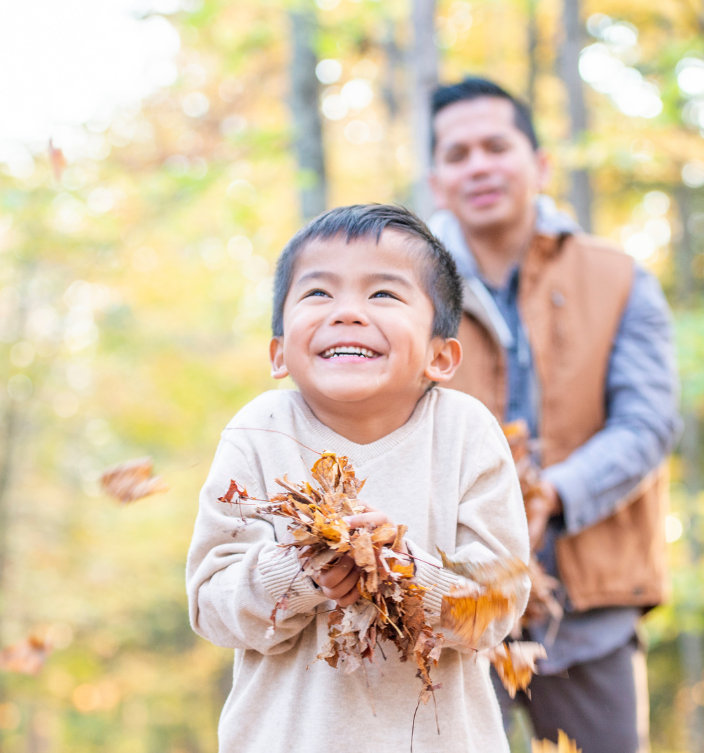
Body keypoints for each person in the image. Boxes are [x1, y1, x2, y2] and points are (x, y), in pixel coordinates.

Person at [185, 204, 531, 752]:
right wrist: (297, 573)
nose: (347, 312)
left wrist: (408, 574)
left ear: (441, 356)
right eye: (318, 293)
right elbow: (211, 604)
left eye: (384, 294)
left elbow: (496, 609)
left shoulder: (466, 433)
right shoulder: (259, 432)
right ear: (278, 353)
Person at [426, 77, 679, 753]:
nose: (477, 165)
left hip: (589, 605)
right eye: (457, 154)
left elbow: (649, 421)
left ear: (538, 164)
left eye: (495, 146)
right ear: (436, 181)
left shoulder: (619, 276)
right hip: (443, 607)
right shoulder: (404, 288)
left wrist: (553, 494)